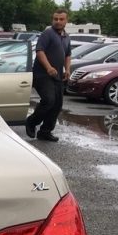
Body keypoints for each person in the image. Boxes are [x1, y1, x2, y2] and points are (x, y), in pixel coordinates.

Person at [25, 8, 71, 142]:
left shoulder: (66, 37)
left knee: (57, 105)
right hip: (42, 75)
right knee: (49, 100)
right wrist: (48, 67)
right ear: (52, 20)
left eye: (61, 19)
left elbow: (68, 55)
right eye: (55, 19)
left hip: (58, 76)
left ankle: (45, 131)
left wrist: (67, 69)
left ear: (66, 21)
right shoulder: (47, 33)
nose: (58, 21)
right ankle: (31, 122)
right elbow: (40, 51)